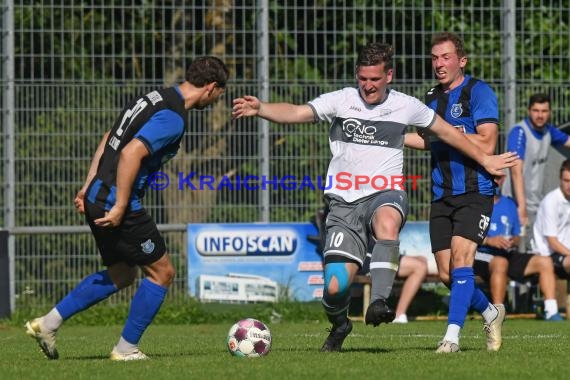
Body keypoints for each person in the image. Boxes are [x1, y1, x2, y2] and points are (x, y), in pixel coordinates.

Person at [233, 41, 516, 352]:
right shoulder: (341, 100)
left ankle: (382, 302)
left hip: (387, 192)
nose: (368, 86)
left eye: (375, 80)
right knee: (336, 287)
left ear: (389, 76)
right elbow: (298, 112)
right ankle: (341, 324)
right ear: (357, 75)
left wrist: (487, 160)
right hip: (343, 202)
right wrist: (261, 109)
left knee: (388, 222)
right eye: (363, 79)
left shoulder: (408, 105)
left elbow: (447, 133)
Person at [25, 56, 229, 361]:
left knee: (121, 274)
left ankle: (48, 323)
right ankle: (126, 349)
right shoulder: (173, 117)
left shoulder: (153, 97)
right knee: (163, 273)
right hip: (114, 202)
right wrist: (121, 204)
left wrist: (88, 184)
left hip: (98, 195)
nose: (217, 101)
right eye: (220, 96)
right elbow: (131, 153)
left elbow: (110, 138)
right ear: (211, 88)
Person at [405, 32, 511, 352]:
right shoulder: (431, 99)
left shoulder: (478, 92)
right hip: (441, 194)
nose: (439, 64)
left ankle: (451, 338)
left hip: (475, 190)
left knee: (463, 258)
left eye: (446, 57)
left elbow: (487, 141)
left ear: (461, 61)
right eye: (435, 58)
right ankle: (491, 311)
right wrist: (390, 138)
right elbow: (428, 141)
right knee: (448, 275)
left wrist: (450, 132)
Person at [473, 181, 564, 321]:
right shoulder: (475, 204)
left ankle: (551, 311)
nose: (496, 181)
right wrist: (489, 241)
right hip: (481, 253)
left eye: (499, 177)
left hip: (507, 253)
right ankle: (497, 314)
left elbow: (516, 235)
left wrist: (512, 241)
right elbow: (466, 236)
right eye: (493, 176)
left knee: (545, 262)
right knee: (500, 262)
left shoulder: (510, 204)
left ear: (503, 179)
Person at [502, 93, 570, 252]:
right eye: (536, 110)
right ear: (528, 111)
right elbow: (516, 172)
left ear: (550, 112)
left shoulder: (549, 131)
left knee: (534, 250)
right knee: (517, 249)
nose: (540, 115)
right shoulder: (519, 132)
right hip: (516, 203)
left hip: (536, 203)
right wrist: (522, 207)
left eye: (544, 111)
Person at [532, 159, 570, 280]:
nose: (569, 185)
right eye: (566, 181)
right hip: (548, 255)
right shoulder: (551, 201)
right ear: (560, 179)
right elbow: (552, 242)